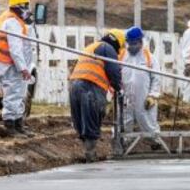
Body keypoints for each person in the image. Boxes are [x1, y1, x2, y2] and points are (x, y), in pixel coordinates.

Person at [68, 29, 124, 162]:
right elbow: (113, 70)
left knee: (81, 121)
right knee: (92, 120)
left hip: (74, 86)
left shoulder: (90, 47)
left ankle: (87, 152)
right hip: (91, 86)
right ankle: (90, 155)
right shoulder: (108, 48)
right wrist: (118, 87)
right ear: (117, 43)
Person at [0, 0, 34, 137]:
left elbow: (23, 45)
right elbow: (15, 49)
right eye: (25, 5)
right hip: (9, 65)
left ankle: (19, 124)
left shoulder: (17, 21)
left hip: (12, 64)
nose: (28, 9)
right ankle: (10, 126)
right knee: (12, 95)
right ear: (18, 6)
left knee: (19, 94)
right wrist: (23, 68)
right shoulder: (12, 22)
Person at [120, 26, 161, 140]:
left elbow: (156, 78)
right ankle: (124, 142)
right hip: (126, 96)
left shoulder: (150, 58)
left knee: (146, 119)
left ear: (140, 42)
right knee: (124, 119)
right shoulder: (122, 56)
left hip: (143, 97)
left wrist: (152, 95)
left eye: (134, 43)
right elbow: (117, 74)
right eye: (129, 43)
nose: (131, 46)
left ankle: (155, 141)